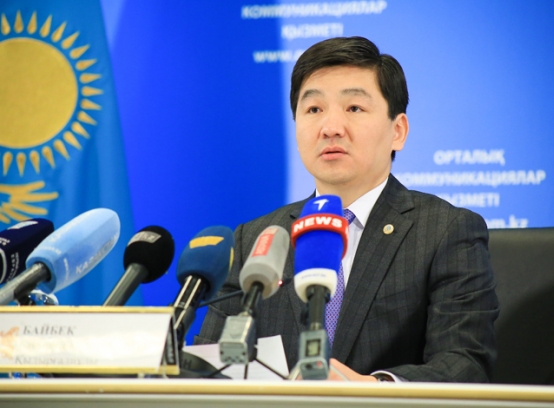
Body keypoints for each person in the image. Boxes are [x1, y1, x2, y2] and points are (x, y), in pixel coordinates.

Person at [196, 36, 499, 382]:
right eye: (314, 110)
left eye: (354, 108)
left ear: (398, 131)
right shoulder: (257, 239)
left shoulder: (445, 231)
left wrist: (372, 389)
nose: (330, 128)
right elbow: (209, 370)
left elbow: (465, 363)